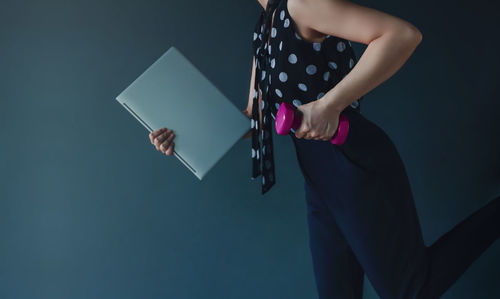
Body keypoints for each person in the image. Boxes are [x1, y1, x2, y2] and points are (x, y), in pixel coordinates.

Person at [149, 0, 500, 298]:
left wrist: (330, 104)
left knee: (410, 291)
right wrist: (183, 136)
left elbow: (403, 36)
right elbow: (253, 117)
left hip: (353, 159)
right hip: (319, 176)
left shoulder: (303, 4)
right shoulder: (265, 26)